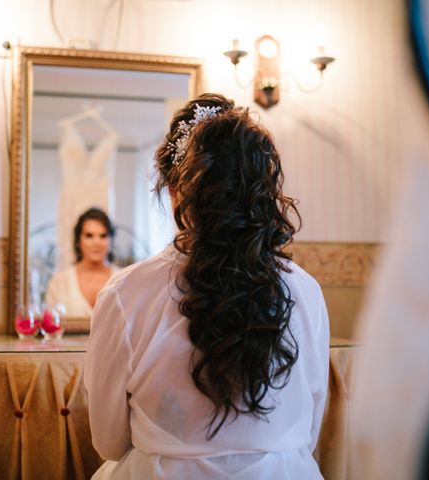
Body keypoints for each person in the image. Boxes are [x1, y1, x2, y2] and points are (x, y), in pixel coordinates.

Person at [84, 93, 330, 479]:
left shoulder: (125, 295)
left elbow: (109, 442)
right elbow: (308, 430)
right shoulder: (306, 292)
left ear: (175, 192)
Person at [45, 207, 119, 317]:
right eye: (89, 236)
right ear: (78, 241)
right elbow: (50, 326)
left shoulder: (122, 280)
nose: (96, 242)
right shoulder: (59, 283)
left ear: (111, 240)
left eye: (103, 236)